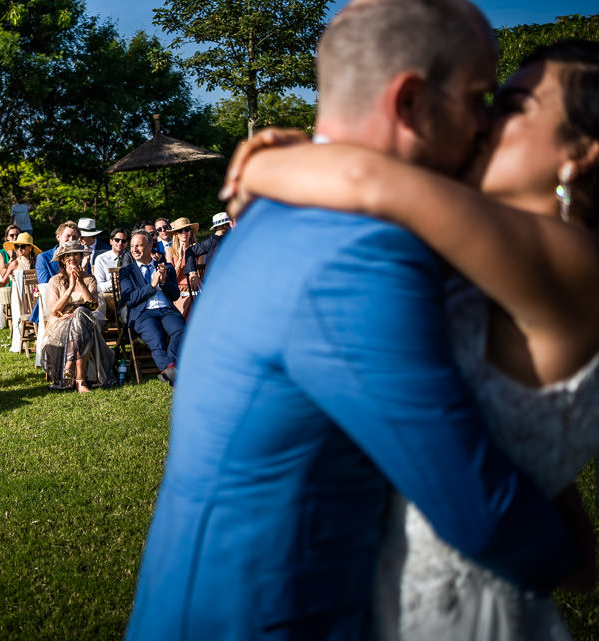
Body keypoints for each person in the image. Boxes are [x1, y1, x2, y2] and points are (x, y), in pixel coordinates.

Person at [125, 0, 586, 641]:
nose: (489, 126)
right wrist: (572, 552)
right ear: (412, 102)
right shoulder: (354, 251)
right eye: (480, 99)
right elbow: (476, 509)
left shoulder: (285, 208)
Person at [228, 39, 599, 639]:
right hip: (404, 574)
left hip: (459, 609)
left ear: (583, 151)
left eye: (510, 106)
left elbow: (369, 181)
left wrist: (263, 162)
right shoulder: (507, 261)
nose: (482, 121)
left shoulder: (576, 264)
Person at [41, 242, 114, 392]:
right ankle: (80, 381)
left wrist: (81, 282)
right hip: (62, 323)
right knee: (80, 325)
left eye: (76, 254)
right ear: (62, 260)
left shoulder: (90, 279)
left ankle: (70, 364)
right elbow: (54, 311)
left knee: (81, 314)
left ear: (81, 257)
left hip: (86, 321)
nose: (72, 257)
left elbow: (93, 306)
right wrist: (70, 288)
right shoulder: (55, 281)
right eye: (68, 255)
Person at [118, 230, 184, 386]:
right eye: (132, 246)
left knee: (181, 331)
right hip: (143, 313)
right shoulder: (127, 271)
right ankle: (176, 378)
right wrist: (152, 285)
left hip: (166, 309)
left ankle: (170, 368)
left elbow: (174, 295)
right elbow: (131, 299)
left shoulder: (165, 266)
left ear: (150, 246)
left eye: (139, 245)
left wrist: (164, 281)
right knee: (156, 338)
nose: (134, 249)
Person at [31, 221, 80, 325]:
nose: (71, 240)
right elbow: (45, 285)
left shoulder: (81, 257)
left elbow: (86, 280)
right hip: (54, 299)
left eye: (74, 237)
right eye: (68, 236)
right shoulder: (44, 258)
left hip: (78, 299)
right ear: (58, 237)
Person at [164, 217, 200, 319]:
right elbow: (171, 278)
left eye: (187, 229)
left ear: (191, 232)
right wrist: (180, 259)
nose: (184, 233)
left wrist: (194, 255)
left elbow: (201, 273)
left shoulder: (197, 249)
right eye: (180, 231)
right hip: (180, 294)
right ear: (176, 234)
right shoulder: (170, 251)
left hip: (195, 291)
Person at [184, 211, 231, 278]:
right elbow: (190, 250)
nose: (231, 226)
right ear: (222, 226)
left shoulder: (212, 241)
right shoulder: (213, 241)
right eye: (228, 224)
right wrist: (192, 273)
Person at [93, 228, 132, 295]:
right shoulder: (101, 259)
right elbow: (98, 286)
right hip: (108, 297)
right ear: (111, 241)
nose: (120, 243)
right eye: (117, 240)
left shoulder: (132, 258)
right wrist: (114, 283)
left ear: (127, 243)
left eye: (124, 241)